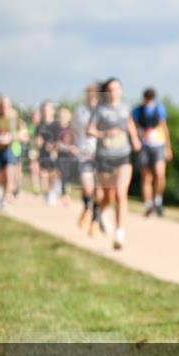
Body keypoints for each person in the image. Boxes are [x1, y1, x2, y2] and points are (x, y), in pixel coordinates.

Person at [88, 78, 140, 249]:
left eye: (117, 88)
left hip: (123, 156)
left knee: (120, 193)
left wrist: (134, 139)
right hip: (104, 157)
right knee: (108, 196)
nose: (113, 92)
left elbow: (129, 124)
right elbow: (89, 129)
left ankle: (119, 233)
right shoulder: (99, 109)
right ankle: (102, 213)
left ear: (121, 91)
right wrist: (104, 134)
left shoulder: (125, 108)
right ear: (106, 91)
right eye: (110, 89)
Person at [131, 87, 173, 217]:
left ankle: (158, 200)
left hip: (158, 144)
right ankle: (148, 204)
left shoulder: (159, 109)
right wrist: (137, 137)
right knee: (146, 176)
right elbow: (132, 126)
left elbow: (164, 128)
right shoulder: (137, 110)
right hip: (144, 146)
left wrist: (168, 147)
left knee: (160, 174)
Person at [0, 95, 27, 210]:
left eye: (6, 105)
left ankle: (6, 198)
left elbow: (23, 133)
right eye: (2, 105)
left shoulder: (14, 117)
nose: (4, 108)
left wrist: (12, 137)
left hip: (10, 150)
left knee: (9, 174)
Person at [74, 84, 103, 234]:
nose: (92, 95)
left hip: (102, 155)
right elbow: (78, 131)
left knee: (99, 190)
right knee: (87, 187)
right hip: (85, 154)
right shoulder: (81, 111)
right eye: (89, 92)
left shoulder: (104, 111)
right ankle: (86, 208)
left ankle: (95, 220)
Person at [35, 101, 61, 206]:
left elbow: (61, 138)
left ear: (52, 111)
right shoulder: (40, 125)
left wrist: (54, 145)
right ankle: (47, 192)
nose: (46, 112)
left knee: (53, 173)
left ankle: (51, 191)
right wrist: (38, 142)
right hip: (43, 153)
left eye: (48, 110)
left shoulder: (57, 124)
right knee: (43, 173)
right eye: (44, 110)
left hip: (54, 153)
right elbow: (37, 139)